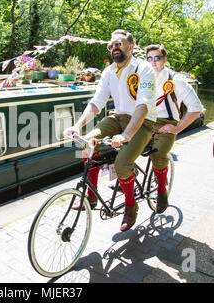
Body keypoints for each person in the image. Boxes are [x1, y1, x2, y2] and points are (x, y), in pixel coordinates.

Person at [63, 29, 157, 232]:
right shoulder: (107, 72)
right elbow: (97, 103)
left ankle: (131, 206)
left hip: (143, 121)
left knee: (122, 164)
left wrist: (126, 135)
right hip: (118, 117)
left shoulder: (144, 69)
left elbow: (143, 105)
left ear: (131, 47)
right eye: (111, 45)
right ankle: (92, 195)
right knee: (87, 145)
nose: (114, 48)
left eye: (119, 44)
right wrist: (77, 125)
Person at [145, 44, 204, 213]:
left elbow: (196, 107)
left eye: (157, 58)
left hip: (166, 122)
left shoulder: (175, 80)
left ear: (164, 60)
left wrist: (177, 128)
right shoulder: (143, 79)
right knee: (125, 146)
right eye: (149, 58)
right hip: (146, 121)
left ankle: (162, 192)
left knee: (158, 155)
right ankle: (126, 180)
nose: (153, 62)